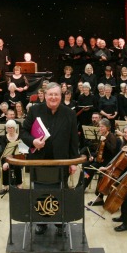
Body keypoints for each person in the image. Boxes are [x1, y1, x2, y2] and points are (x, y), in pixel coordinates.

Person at [20, 83, 79, 236]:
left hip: (61, 162)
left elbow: (74, 140)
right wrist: (33, 142)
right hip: (39, 161)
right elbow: (24, 132)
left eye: (56, 94)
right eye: (50, 94)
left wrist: (73, 162)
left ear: (61, 96)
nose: (53, 97)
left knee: (61, 192)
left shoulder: (70, 113)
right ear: (45, 95)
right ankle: (41, 222)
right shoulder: (34, 110)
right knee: (40, 191)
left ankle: (60, 223)